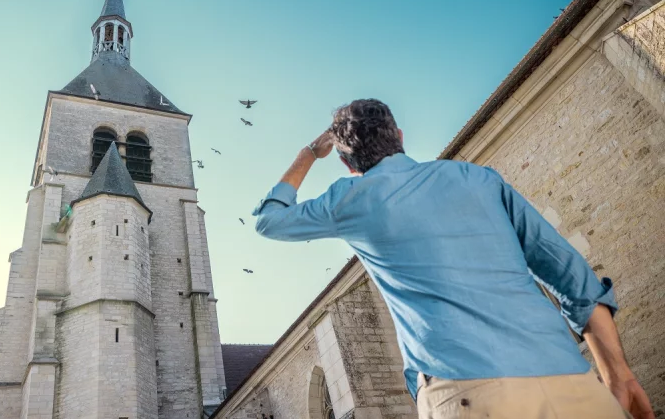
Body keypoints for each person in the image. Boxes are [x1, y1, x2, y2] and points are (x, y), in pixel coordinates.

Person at [252, 99, 654, 419]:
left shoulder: (348, 198)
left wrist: (309, 153)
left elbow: (270, 220)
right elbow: (570, 275)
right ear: (400, 135)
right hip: (574, 383)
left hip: (468, 395)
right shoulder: (478, 178)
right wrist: (617, 373)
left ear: (345, 162)